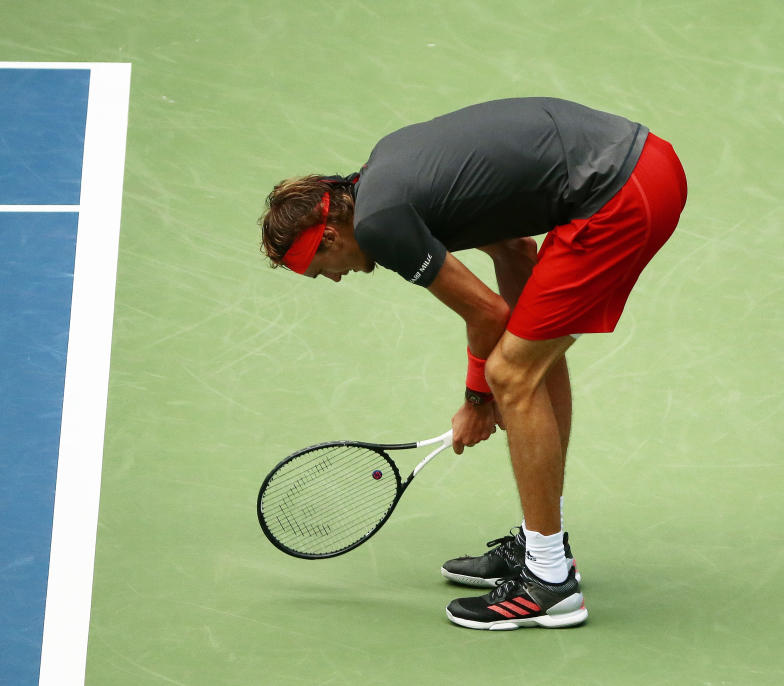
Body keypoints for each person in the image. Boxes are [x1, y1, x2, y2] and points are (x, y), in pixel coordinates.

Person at [258, 97, 687, 630]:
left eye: (322, 269)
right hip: (648, 163)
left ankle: (549, 582)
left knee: (509, 373)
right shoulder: (386, 173)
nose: (336, 278)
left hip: (616, 195)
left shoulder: (382, 225)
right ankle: (541, 545)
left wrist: (478, 402)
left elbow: (486, 314)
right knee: (527, 359)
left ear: (328, 237)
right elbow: (514, 251)